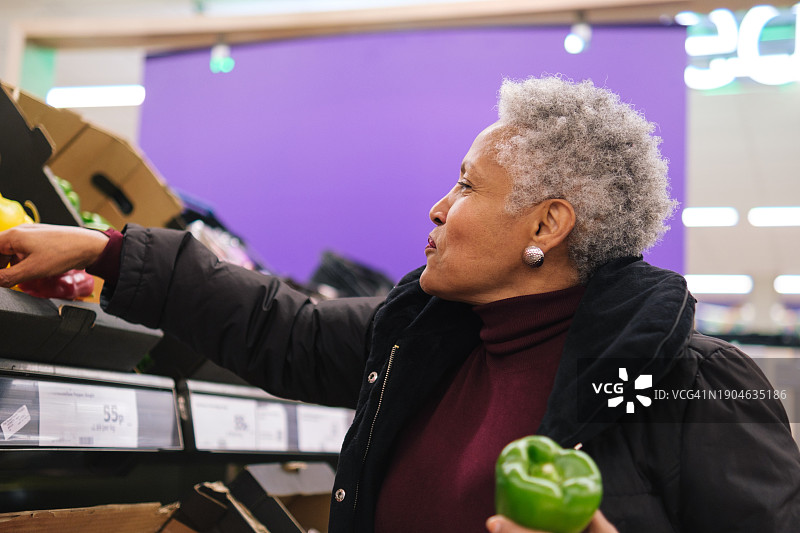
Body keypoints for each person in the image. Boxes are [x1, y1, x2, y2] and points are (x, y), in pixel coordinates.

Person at [1, 75, 799, 533]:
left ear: (547, 224)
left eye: (466, 184)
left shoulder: (687, 385)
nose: (438, 207)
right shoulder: (426, 335)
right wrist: (103, 250)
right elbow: (287, 327)